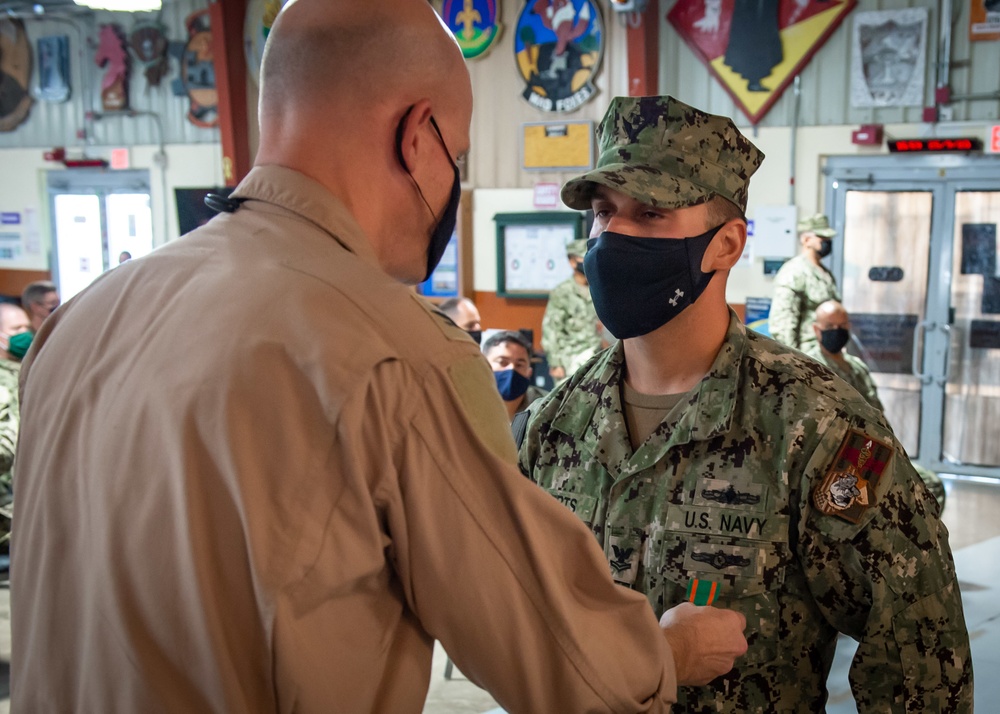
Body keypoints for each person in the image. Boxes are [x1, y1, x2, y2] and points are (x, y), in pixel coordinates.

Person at [11, 4, 749, 712]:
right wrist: (668, 653)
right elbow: (561, 662)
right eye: (455, 156)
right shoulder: (394, 352)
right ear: (416, 135)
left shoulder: (84, 319)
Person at [520, 94, 973, 712]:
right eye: (602, 213)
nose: (611, 236)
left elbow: (919, 662)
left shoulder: (816, 424)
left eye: (650, 214)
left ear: (726, 244)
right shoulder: (554, 426)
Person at [805, 299, 947, 511]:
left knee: (931, 484)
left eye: (842, 326)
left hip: (873, 450)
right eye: (830, 327)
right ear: (817, 330)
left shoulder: (857, 367)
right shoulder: (811, 367)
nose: (837, 331)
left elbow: (878, 415)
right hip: (838, 457)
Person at [769, 213, 840, 351]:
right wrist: (793, 363)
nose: (827, 241)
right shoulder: (794, 272)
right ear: (806, 239)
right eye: (822, 237)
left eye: (828, 238)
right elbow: (783, 326)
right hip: (807, 355)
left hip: (827, 353)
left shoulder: (825, 272)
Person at [541, 237, 602, 381]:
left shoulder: (599, 289)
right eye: (584, 258)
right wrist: (555, 363)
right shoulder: (562, 292)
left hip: (596, 359)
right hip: (569, 361)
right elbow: (551, 329)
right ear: (572, 261)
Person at [482, 329, 547, 421]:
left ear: (529, 373)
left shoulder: (547, 406)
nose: (511, 369)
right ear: (483, 366)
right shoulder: (465, 404)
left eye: (519, 365)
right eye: (502, 362)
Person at [0, 302, 29, 504]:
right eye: (17, 329)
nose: (25, 334)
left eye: (27, 328)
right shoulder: (3, 379)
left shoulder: (29, 371)